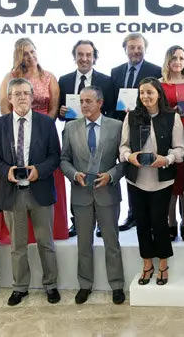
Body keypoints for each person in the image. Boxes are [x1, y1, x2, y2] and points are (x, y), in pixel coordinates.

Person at [0, 78, 61, 306]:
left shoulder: (47, 123)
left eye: (26, 93)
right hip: (12, 193)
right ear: (9, 98)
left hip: (39, 190)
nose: (21, 97)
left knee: (45, 242)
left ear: (32, 97)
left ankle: (51, 285)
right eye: (16, 93)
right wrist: (6, 170)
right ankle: (20, 287)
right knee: (17, 245)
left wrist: (39, 170)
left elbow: (55, 156)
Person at [59, 86, 127, 305]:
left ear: (100, 103)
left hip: (108, 193)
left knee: (111, 242)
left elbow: (125, 160)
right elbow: (63, 160)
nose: (84, 105)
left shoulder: (117, 127)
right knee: (83, 244)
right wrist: (73, 174)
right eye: (81, 101)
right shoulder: (70, 128)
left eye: (89, 101)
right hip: (81, 194)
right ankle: (84, 285)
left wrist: (110, 175)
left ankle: (117, 285)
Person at [0, 37, 68, 244]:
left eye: (32, 51)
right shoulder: (10, 77)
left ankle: (50, 230)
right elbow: (4, 108)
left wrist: (42, 129)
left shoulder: (49, 77)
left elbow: (54, 106)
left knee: (46, 179)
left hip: (44, 135)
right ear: (18, 57)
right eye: (24, 53)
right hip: (18, 136)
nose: (30, 56)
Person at [120, 78, 184, 286]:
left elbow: (180, 150)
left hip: (162, 180)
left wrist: (166, 159)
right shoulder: (131, 116)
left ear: (159, 93)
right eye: (142, 93)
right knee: (142, 224)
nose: (145, 96)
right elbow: (123, 147)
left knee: (159, 223)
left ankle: (163, 264)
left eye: (149, 92)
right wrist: (130, 157)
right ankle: (147, 264)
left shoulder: (171, 117)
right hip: (137, 180)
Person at [106, 33, 163, 232]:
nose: (136, 51)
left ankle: (145, 214)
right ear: (125, 49)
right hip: (122, 127)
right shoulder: (116, 71)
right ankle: (131, 214)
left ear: (145, 49)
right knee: (127, 170)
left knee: (144, 171)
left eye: (139, 47)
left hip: (145, 128)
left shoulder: (155, 70)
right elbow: (113, 103)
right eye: (132, 47)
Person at [58, 40, 112, 237]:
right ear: (75, 57)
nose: (84, 58)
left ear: (94, 58)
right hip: (74, 135)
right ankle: (77, 220)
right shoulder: (63, 80)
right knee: (76, 177)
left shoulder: (106, 81)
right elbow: (58, 112)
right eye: (80, 54)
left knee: (99, 176)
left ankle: (100, 221)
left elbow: (112, 110)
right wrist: (61, 111)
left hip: (99, 133)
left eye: (89, 55)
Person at [160, 45, 184, 242]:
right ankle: (171, 222)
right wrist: (170, 111)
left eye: (181, 58)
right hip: (167, 137)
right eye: (174, 57)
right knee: (170, 182)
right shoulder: (160, 83)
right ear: (168, 60)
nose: (177, 61)